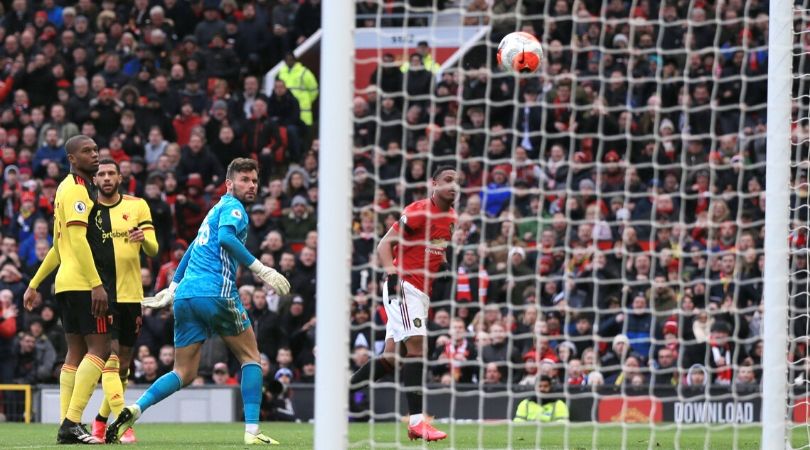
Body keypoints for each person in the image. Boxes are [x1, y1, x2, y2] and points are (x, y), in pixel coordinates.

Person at [107, 158, 290, 446]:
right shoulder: (233, 207)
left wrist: (172, 287)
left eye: (254, 180)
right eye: (244, 180)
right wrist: (261, 269)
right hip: (215, 292)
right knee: (250, 358)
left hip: (186, 297)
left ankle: (136, 408)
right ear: (229, 183)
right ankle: (252, 432)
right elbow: (228, 239)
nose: (251, 185)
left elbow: (192, 248)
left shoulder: (213, 211)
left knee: (184, 372)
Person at [349, 165, 458, 442]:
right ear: (434, 183)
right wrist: (392, 273)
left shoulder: (452, 219)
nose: (453, 185)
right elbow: (385, 245)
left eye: (457, 181)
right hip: (403, 285)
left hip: (421, 291)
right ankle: (418, 422)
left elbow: (433, 250)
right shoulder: (419, 210)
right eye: (447, 180)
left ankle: (339, 394)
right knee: (418, 347)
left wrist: (443, 264)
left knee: (391, 358)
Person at [23, 135, 110, 444]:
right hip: (83, 283)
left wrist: (34, 283)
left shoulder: (66, 188)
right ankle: (72, 422)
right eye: (87, 151)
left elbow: (58, 247)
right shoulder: (76, 190)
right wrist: (97, 284)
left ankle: (66, 424)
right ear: (72, 158)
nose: (95, 155)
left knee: (75, 352)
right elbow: (74, 241)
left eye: (96, 149)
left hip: (65, 282)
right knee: (101, 349)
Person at [83, 159, 158, 443]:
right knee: (110, 358)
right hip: (102, 295)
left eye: (110, 173)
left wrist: (143, 238)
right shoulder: (89, 210)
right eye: (100, 174)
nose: (105, 178)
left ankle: (101, 422)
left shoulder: (137, 205)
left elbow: (153, 247)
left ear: (120, 177)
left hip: (132, 295)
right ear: (95, 180)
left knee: (124, 364)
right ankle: (124, 427)